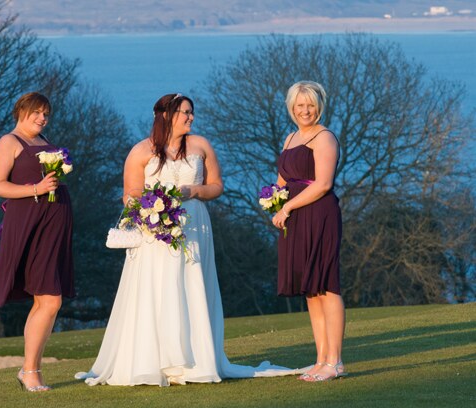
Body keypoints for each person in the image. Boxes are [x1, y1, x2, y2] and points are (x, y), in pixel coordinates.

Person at [76, 93, 305, 386]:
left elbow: (217, 186)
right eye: (185, 112)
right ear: (166, 116)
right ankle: (155, 360)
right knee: (158, 287)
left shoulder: (201, 145)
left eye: (191, 112)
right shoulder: (140, 151)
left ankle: (197, 362)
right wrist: (150, 210)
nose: (190, 117)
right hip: (155, 230)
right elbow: (130, 194)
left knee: (192, 283)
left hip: (195, 224)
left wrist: (193, 192)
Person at [0, 92, 75, 391]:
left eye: (45, 114)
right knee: (51, 299)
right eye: (35, 112)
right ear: (20, 112)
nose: (41, 118)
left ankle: (30, 370)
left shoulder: (44, 141)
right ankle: (30, 371)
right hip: (28, 226)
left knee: (46, 300)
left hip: (53, 226)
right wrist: (36, 188)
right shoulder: (9, 142)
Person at [272, 81, 346, 381]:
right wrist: (273, 200)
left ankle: (336, 362)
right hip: (296, 219)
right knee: (310, 290)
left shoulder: (324, 137)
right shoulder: (290, 138)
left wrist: (287, 207)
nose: (305, 110)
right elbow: (282, 180)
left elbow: (323, 183)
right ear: (291, 107)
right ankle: (321, 360)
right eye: (300, 105)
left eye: (310, 104)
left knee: (327, 286)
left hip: (320, 214)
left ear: (319, 105)